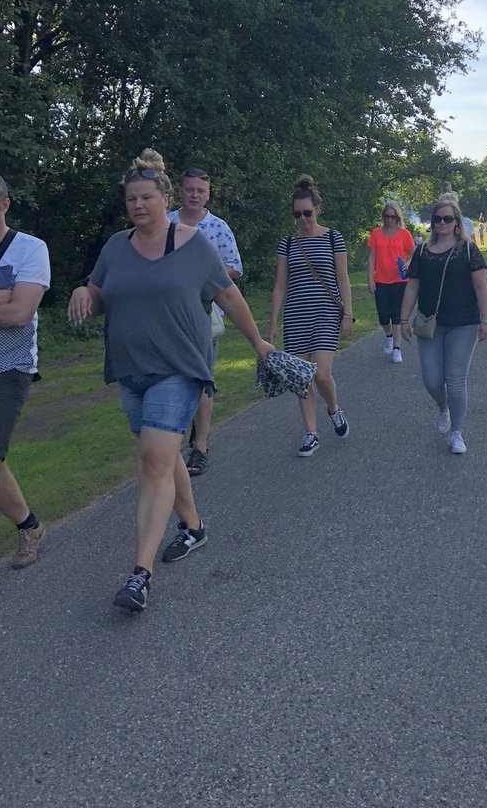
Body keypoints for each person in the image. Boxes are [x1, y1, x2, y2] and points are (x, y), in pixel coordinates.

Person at [67, 149, 274, 611]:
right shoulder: (116, 246)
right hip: (130, 371)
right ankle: (194, 528)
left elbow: (228, 294)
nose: (138, 205)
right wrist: (84, 292)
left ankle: (140, 575)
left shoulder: (193, 244)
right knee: (163, 456)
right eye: (131, 199)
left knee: (152, 460)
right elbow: (99, 294)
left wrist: (258, 342)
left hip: (180, 367)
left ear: (165, 199)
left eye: (146, 197)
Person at [268, 174, 353, 457]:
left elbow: (342, 278)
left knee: (322, 374)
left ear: (317, 209)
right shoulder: (287, 244)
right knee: (301, 378)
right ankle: (311, 433)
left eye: (307, 213)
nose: (303, 219)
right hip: (296, 316)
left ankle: (334, 408)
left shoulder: (333, 237)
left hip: (326, 312)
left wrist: (348, 314)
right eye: (297, 214)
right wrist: (273, 323)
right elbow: (280, 284)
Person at [169, 166, 243, 476]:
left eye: (200, 190)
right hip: (168, 316)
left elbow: (234, 268)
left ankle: (200, 447)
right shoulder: (166, 222)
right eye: (189, 190)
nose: (194, 195)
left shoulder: (217, 227)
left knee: (202, 379)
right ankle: (170, 444)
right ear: (180, 192)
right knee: (170, 379)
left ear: (208, 194)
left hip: (205, 315)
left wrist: (200, 276)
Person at [399, 198, 487, 454]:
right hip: (430, 323)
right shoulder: (422, 252)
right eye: (437, 219)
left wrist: (486, 319)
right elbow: (412, 286)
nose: (442, 223)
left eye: (447, 218)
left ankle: (457, 433)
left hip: (464, 323)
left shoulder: (468, 250)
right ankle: (444, 407)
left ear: (456, 222)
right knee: (431, 379)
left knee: (455, 379)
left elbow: (480, 286)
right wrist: (404, 319)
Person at [0, 176, 51, 569]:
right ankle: (28, 524)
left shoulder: (30, 248)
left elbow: (19, 313)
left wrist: (11, 301)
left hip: (9, 366)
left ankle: (29, 527)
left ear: (4, 204)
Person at [367, 202, 415, 364]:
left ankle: (397, 348)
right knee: (383, 315)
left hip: (399, 280)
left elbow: (414, 253)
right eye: (386, 216)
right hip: (381, 280)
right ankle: (388, 335)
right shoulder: (376, 233)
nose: (389, 220)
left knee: (396, 315)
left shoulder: (404, 234)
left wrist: (409, 263)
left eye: (392, 217)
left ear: (397, 217)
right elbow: (371, 257)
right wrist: (370, 279)